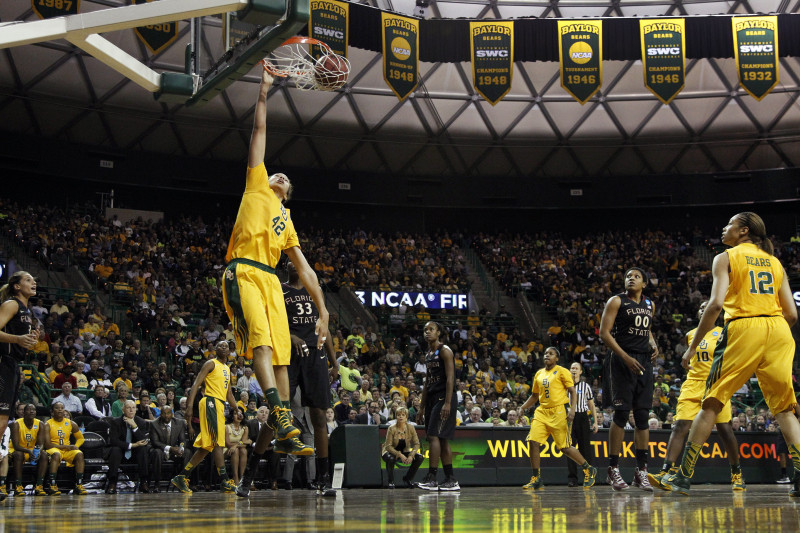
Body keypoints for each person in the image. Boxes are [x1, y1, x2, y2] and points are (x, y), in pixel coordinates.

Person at [221, 68, 328, 489]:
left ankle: (283, 424)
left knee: (282, 356)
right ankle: (281, 416)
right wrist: (264, 91)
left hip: (271, 282)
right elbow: (259, 127)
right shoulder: (255, 185)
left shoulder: (287, 222)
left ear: (289, 193)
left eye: (286, 179)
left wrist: (324, 313)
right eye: (276, 173)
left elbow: (305, 270)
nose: (279, 176)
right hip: (243, 270)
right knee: (263, 345)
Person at [657, 213, 799, 496]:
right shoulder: (775, 262)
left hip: (744, 326)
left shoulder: (726, 257)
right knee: (783, 409)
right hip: (780, 330)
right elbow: (792, 314)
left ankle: (682, 477)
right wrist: (771, 331)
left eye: (729, 224)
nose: (723, 228)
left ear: (743, 230)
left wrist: (693, 345)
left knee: (711, 402)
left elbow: (715, 305)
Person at [240, 259, 336, 497]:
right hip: (287, 353)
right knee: (277, 413)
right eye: (290, 262)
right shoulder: (278, 288)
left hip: (315, 353)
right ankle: (247, 476)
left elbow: (325, 325)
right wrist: (291, 337)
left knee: (319, 415)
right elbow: (270, 323)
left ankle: (323, 479)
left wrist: (335, 363)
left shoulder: (315, 287)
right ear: (285, 267)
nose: (295, 264)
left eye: (298, 262)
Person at [648, 301, 745, 491]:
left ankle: (737, 473)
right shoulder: (690, 335)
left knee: (725, 430)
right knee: (680, 425)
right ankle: (666, 472)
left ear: (715, 312)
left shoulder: (725, 331)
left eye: (707, 306)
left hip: (716, 384)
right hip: (693, 384)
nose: (703, 309)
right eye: (700, 307)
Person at [599, 267, 659, 491]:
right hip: (621, 360)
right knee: (622, 414)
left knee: (643, 416)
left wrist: (653, 344)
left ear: (644, 283)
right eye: (627, 276)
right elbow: (604, 333)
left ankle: (641, 471)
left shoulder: (649, 304)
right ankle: (613, 469)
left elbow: (647, 329)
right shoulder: (616, 301)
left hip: (644, 361)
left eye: (636, 276)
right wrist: (625, 358)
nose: (630, 279)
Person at [519, 347, 597, 490]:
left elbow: (573, 392)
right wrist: (523, 407)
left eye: (551, 354)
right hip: (542, 412)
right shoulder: (539, 373)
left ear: (557, 358)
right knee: (533, 441)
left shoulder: (562, 371)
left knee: (565, 448)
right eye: (546, 353)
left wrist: (572, 410)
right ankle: (536, 478)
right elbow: (534, 396)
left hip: (559, 412)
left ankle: (588, 469)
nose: (547, 355)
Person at [170, 339, 238, 494]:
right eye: (220, 345)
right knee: (217, 444)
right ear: (215, 349)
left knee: (208, 446)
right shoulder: (210, 363)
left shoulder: (227, 368)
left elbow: (228, 394)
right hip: (210, 402)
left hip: (220, 405)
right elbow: (195, 385)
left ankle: (182, 476)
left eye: (226, 346)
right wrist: (188, 407)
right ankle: (225, 480)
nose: (223, 347)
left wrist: (237, 408)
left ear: (229, 351)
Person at [0, 271, 39, 501]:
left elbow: (21, 343)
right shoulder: (11, 304)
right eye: (27, 280)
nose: (33, 283)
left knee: (3, 422)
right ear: (16, 286)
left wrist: (30, 341)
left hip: (13, 365)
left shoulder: (27, 312)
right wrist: (17, 340)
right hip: (3, 364)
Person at [415, 322, 459, 491]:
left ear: (439, 332)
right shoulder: (428, 354)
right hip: (433, 397)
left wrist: (448, 402)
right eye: (425, 330)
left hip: (444, 397)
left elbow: (450, 379)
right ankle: (450, 479)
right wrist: (421, 407)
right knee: (442, 439)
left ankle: (432, 477)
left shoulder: (445, 351)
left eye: (431, 329)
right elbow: (427, 383)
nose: (427, 332)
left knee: (433, 436)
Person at [40, 401, 88, 495]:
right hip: (53, 448)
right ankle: (52, 484)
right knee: (56, 454)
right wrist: (67, 446)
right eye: (57, 408)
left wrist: (75, 447)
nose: (60, 410)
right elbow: (47, 445)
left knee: (79, 454)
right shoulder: (47, 424)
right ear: (52, 412)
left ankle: (79, 484)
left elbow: (81, 439)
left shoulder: (70, 423)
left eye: (62, 408)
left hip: (67, 450)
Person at [106, 400, 150, 494]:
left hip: (135, 454)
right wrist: (133, 445)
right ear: (123, 410)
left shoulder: (141, 422)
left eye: (133, 408)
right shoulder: (115, 422)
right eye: (128, 408)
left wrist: (134, 426)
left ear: (136, 410)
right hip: (121, 452)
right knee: (115, 450)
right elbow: (114, 441)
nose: (131, 410)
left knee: (143, 449)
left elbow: (143, 441)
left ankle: (143, 482)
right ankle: (112, 483)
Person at [566, 362, 599, 487]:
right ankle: (572, 478)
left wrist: (595, 422)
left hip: (582, 417)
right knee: (569, 448)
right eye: (572, 368)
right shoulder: (564, 386)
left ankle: (588, 475)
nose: (573, 370)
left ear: (580, 372)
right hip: (569, 418)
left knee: (585, 448)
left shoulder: (585, 386)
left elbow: (591, 405)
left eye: (576, 368)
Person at [382, 406, 424, 488]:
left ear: (406, 417)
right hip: (389, 452)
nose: (400, 416)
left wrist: (411, 455)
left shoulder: (411, 427)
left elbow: (417, 444)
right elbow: (388, 446)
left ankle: (407, 479)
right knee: (391, 458)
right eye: (398, 415)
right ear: (396, 416)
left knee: (419, 457)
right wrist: (400, 455)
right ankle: (391, 482)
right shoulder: (391, 428)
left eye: (403, 415)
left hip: (404, 451)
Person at [10, 404, 47, 497]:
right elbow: (16, 445)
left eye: (33, 410)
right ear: (23, 412)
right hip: (17, 450)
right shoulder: (16, 424)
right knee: (19, 455)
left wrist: (37, 451)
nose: (31, 411)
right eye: (29, 410)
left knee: (44, 455)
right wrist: (29, 451)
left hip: (30, 451)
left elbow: (41, 443)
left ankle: (39, 486)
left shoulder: (40, 424)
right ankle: (18, 486)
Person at [149, 405, 186, 493]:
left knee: (187, 452)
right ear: (160, 414)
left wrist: (181, 449)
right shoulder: (154, 424)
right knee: (157, 453)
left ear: (172, 414)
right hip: (161, 449)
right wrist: (170, 448)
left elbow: (183, 440)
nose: (166, 416)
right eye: (164, 413)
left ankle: (183, 482)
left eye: (168, 413)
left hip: (174, 451)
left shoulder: (179, 423)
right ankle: (157, 484)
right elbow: (155, 442)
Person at [224, 408, 251, 487]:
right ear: (232, 416)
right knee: (236, 450)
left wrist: (236, 445)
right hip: (225, 450)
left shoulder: (245, 428)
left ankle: (242, 477)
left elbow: (244, 445)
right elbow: (228, 444)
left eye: (240, 414)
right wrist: (240, 443)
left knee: (243, 450)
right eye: (236, 414)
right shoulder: (226, 427)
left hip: (237, 449)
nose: (239, 416)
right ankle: (235, 477)